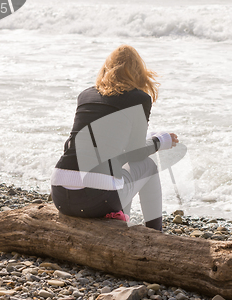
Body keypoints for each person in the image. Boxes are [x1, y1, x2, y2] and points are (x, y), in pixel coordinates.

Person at [50, 45, 178, 231]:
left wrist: (152, 137)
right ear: (138, 72)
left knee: (116, 171)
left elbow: (79, 143)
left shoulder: (86, 95)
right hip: (98, 198)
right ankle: (155, 234)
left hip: (60, 194)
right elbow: (135, 154)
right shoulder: (139, 98)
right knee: (148, 166)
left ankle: (120, 221)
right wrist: (160, 142)